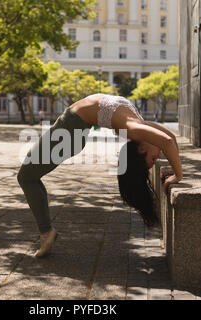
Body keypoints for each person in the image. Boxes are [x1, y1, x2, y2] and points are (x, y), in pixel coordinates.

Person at [17, 94, 182, 258]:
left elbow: (167, 141)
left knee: (26, 177)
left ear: (141, 150)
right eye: (154, 159)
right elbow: (171, 139)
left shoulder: (135, 128)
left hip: (68, 131)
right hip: (71, 129)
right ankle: (46, 231)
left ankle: (46, 232)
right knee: (28, 174)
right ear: (141, 149)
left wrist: (177, 175)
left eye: (153, 158)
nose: (159, 155)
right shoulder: (138, 125)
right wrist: (176, 171)